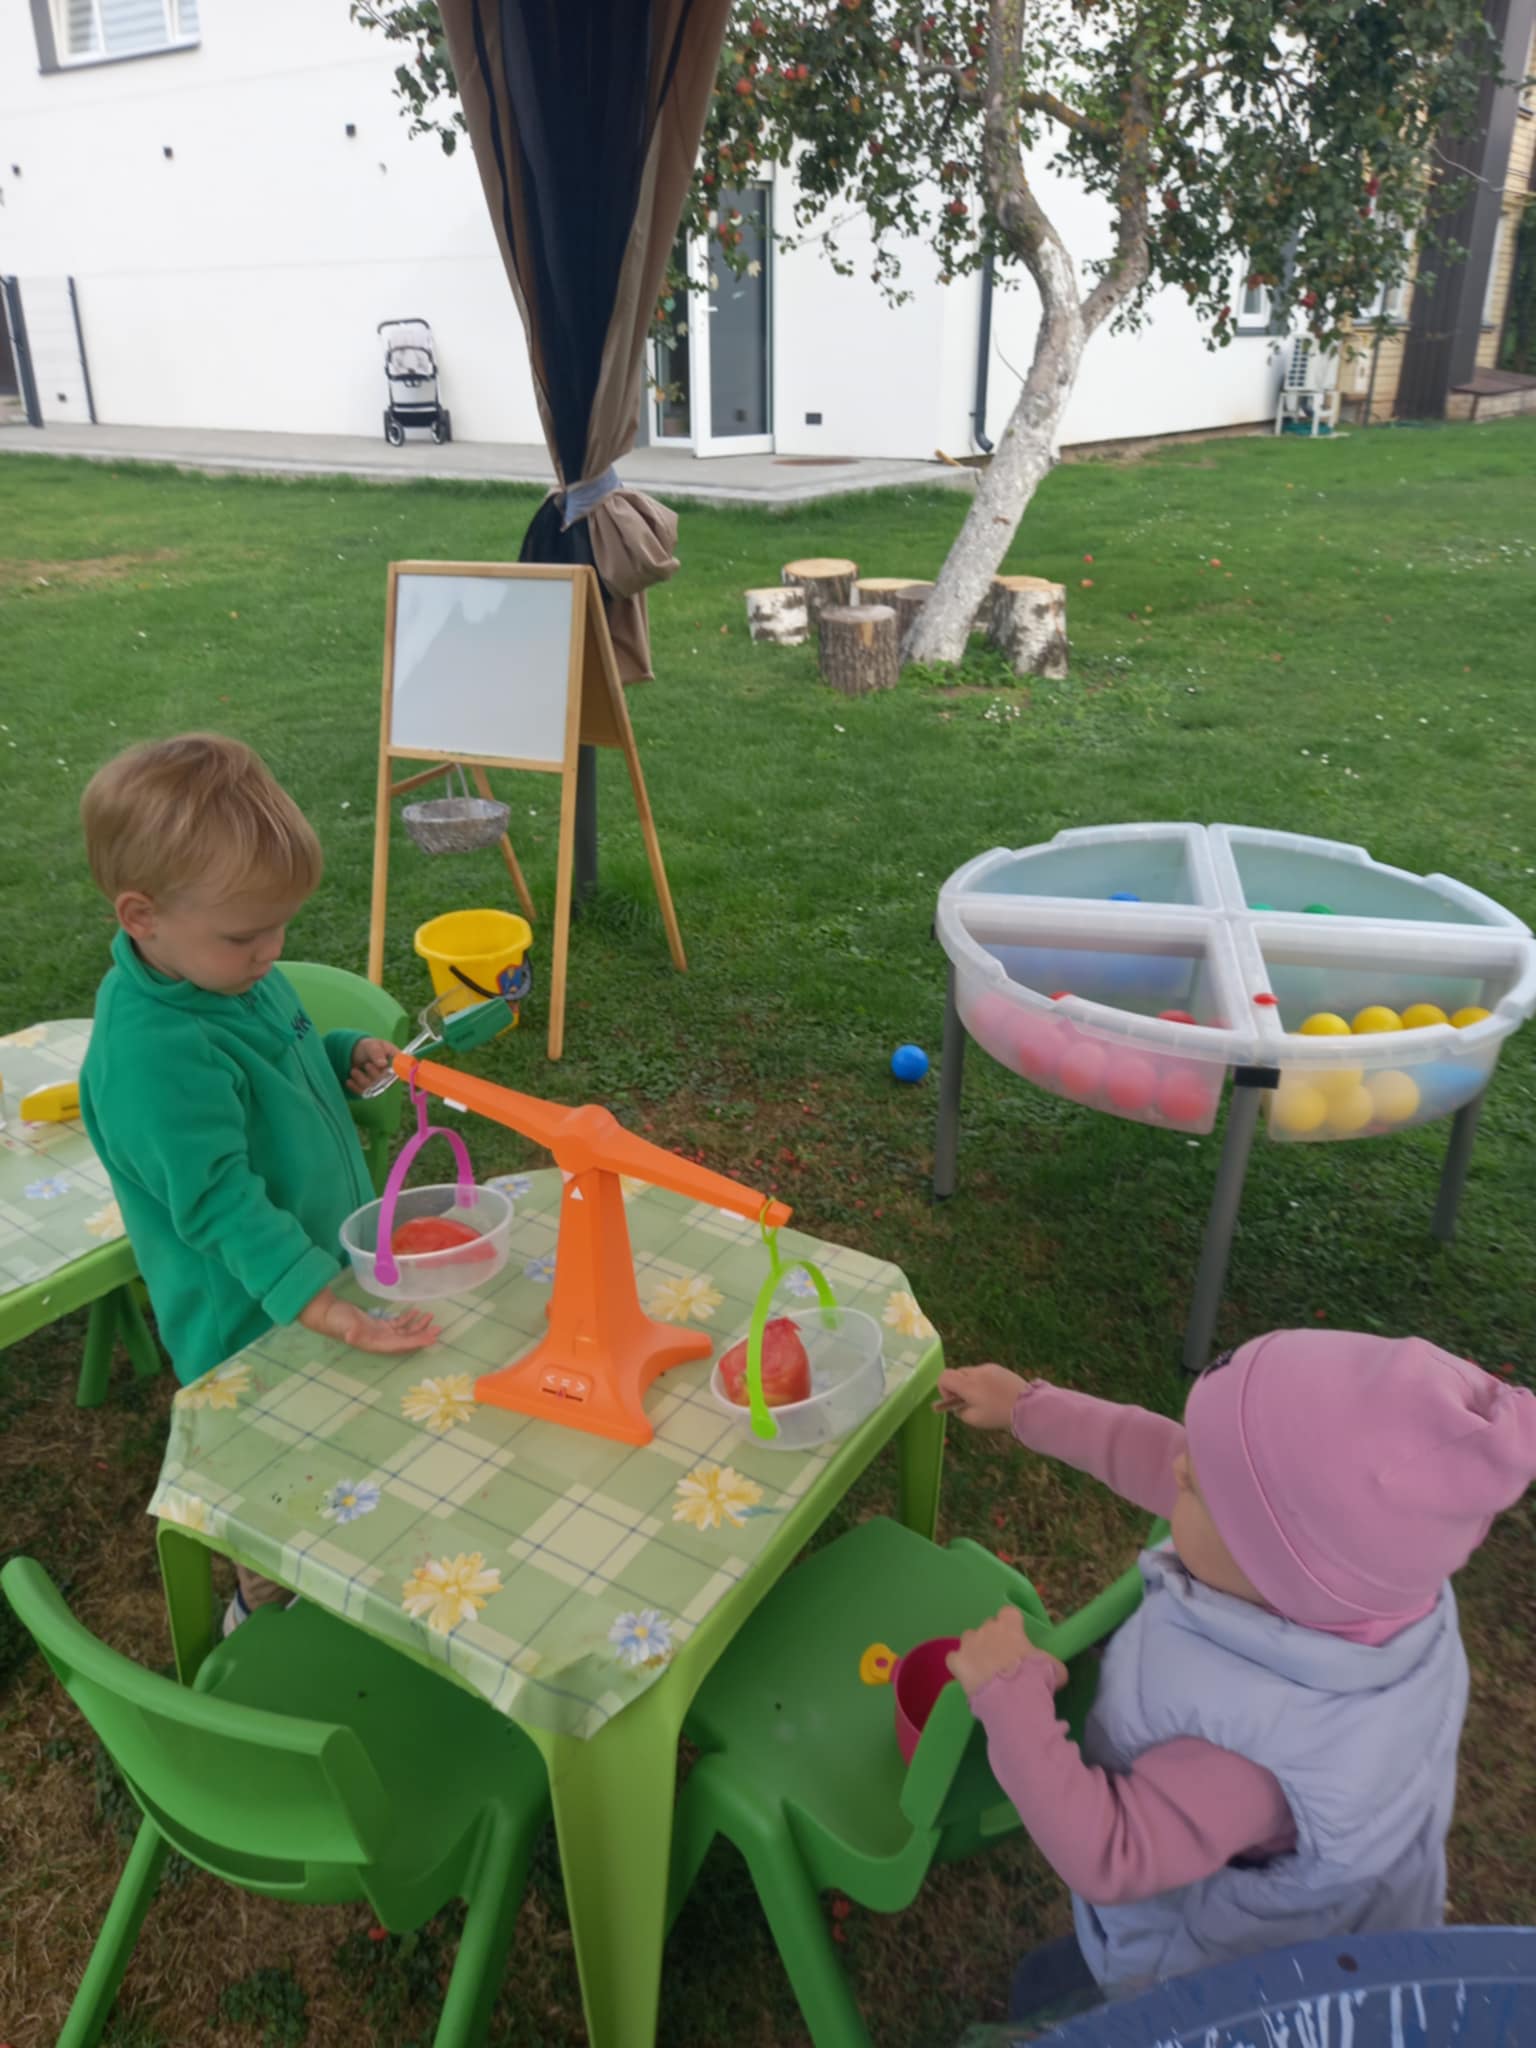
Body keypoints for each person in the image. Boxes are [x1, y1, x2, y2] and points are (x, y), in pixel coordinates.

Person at [935, 1331, 1536, 2020]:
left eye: (1195, 1483)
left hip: (1218, 1986)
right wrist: (1027, 1406)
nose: (1176, 1469)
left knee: (1064, 2002)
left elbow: (1109, 1852)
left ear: (1273, 1565)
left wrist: (1008, 1694)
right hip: (1359, 1920)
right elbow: (1172, 1462)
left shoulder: (1249, 1756)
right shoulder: (1373, 1588)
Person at [79, 734, 439, 1631]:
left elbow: (274, 1070)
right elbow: (217, 1199)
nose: (271, 952)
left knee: (345, 1454)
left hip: (316, 1274)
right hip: (249, 1319)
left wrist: (336, 1054)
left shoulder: (229, 976)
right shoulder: (152, 1052)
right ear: (142, 916)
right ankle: (258, 1606)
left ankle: (332, 1570)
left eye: (280, 926)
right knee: (278, 1489)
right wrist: (320, 1303)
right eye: (246, 934)